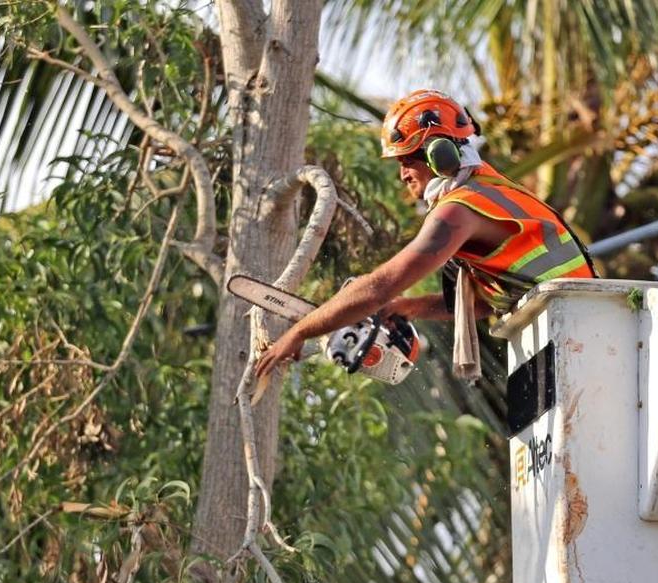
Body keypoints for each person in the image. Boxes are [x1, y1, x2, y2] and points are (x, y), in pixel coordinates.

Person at [255, 89, 596, 380]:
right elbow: (481, 304)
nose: (403, 174)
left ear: (437, 155)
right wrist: (410, 307)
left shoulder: (460, 209)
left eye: (406, 161)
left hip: (580, 330)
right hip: (571, 330)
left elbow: (380, 286)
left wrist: (300, 331)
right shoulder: (487, 189)